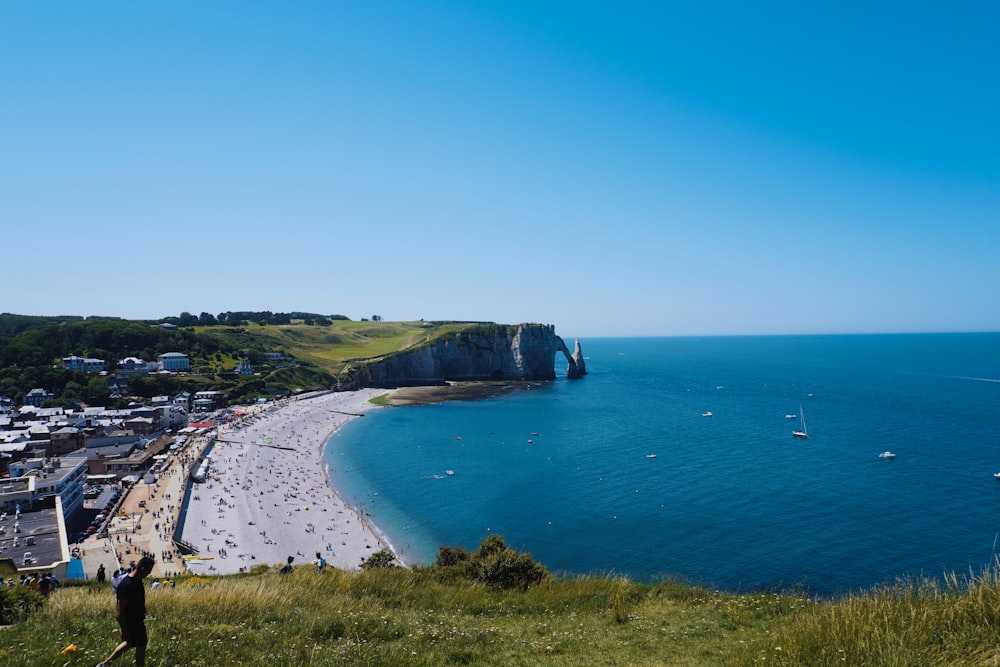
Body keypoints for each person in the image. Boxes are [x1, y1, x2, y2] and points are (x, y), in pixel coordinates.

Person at [96, 556, 155, 667]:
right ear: (142, 569)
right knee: (141, 644)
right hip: (131, 620)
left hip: (137, 618)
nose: (149, 573)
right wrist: (123, 629)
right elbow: (120, 608)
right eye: (148, 571)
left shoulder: (138, 581)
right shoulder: (126, 585)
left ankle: (105, 664)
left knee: (132, 642)